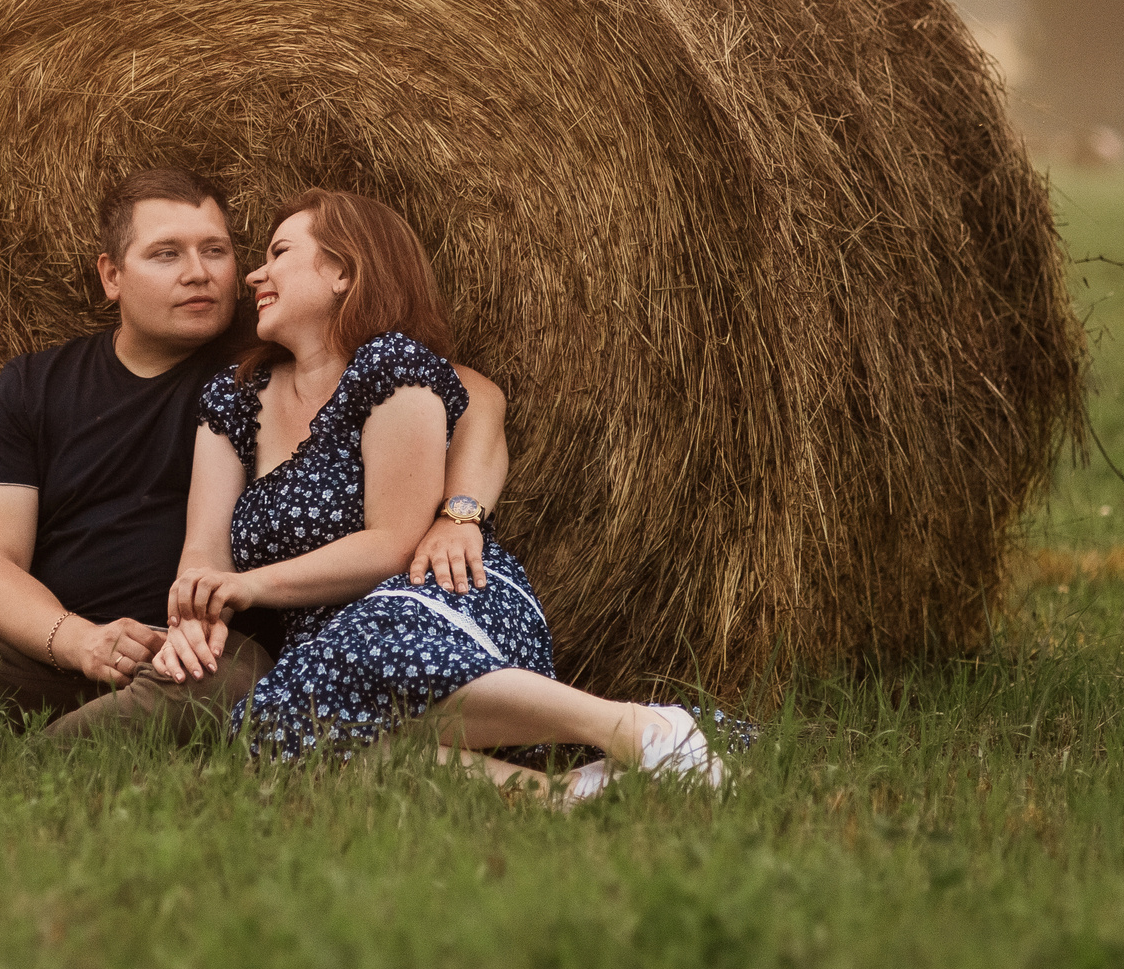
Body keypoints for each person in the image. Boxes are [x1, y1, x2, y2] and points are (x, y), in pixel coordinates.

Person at [0, 168, 507, 777]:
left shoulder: (257, 362)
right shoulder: (34, 386)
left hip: (199, 653)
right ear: (111, 276)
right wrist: (78, 642)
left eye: (216, 251)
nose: (200, 273)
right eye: (165, 255)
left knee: (227, 688)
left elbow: (464, 391)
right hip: (51, 650)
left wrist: (457, 511)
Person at [151, 188, 739, 797]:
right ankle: (567, 799)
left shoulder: (390, 365)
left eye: (278, 252)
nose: (255, 273)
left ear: (343, 271)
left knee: (348, 668)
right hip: (326, 639)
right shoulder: (235, 396)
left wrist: (247, 587)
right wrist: (195, 610)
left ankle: (641, 729)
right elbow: (203, 546)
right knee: (282, 735)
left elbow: (395, 542)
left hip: (439, 593)